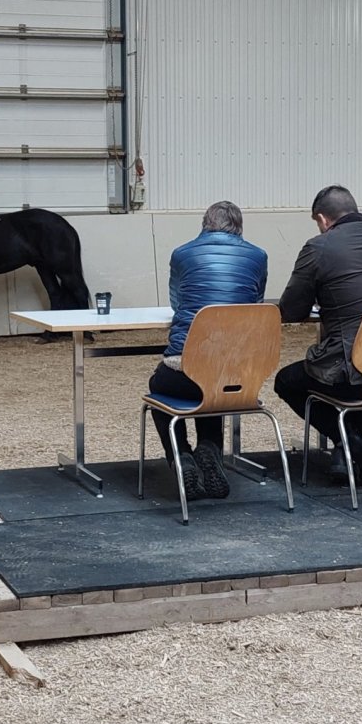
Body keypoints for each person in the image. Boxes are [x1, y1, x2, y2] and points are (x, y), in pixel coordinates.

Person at [274, 185, 362, 487]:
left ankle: (357, 447)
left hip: (354, 369)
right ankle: (346, 453)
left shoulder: (319, 247)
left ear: (324, 220)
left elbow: (290, 309)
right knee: (358, 369)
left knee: (288, 381)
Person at [148, 200, 268, 501]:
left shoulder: (182, 254)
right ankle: (210, 449)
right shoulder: (258, 256)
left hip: (185, 373)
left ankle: (181, 457)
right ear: (239, 228)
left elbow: (177, 301)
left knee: (159, 386)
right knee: (214, 383)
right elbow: (254, 304)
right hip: (238, 378)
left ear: (204, 224)